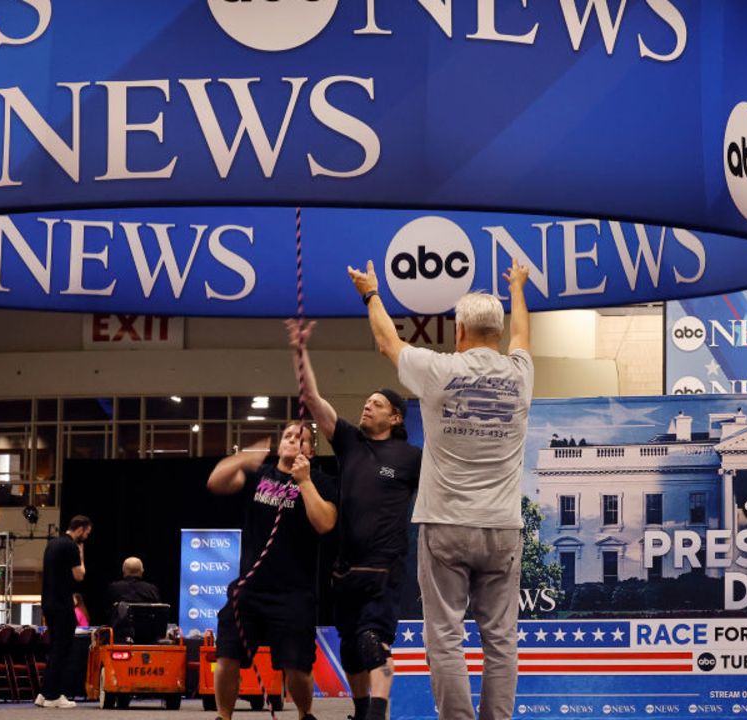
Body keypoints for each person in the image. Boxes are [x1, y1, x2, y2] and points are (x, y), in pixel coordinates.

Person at [348, 258, 534, 720]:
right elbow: (522, 338)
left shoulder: (438, 370)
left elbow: (387, 342)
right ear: (496, 329)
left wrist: (372, 293)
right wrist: (518, 289)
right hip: (502, 527)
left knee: (446, 635)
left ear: (460, 333)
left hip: (446, 524)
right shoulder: (520, 375)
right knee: (501, 638)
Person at [286, 318, 422, 720]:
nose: (367, 405)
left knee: (370, 643)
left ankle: (378, 714)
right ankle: (363, 711)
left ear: (396, 417)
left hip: (383, 570)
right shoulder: (349, 443)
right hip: (344, 572)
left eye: (377, 403)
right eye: (366, 401)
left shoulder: (411, 458)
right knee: (350, 648)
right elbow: (311, 397)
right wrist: (300, 350)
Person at [207, 422, 337, 720]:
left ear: (311, 451)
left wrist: (303, 481)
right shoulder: (259, 476)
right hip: (249, 589)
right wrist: (246, 456)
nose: (293, 441)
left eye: (300, 439)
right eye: (288, 437)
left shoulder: (321, 481)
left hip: (293, 594)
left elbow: (325, 523)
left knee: (297, 667)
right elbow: (216, 481)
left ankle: (305, 714)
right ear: (279, 446)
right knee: (226, 656)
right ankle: (223, 716)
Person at [37, 515, 92, 708]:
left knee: (55, 648)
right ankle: (54, 696)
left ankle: (44, 693)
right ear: (80, 529)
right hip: (62, 604)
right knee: (63, 649)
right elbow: (79, 575)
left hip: (49, 603)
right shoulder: (71, 546)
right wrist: (81, 553)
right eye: (86, 533)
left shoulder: (53, 543)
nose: (86, 536)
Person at [105, 557, 161, 624]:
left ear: (123, 571)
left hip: (120, 633)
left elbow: (107, 614)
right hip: (147, 633)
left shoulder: (114, 588)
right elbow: (159, 615)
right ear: (142, 571)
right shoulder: (151, 590)